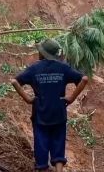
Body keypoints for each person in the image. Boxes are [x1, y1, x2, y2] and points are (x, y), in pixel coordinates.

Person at [11, 39, 88, 172]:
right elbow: (84, 79)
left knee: (41, 144)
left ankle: (43, 167)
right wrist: (71, 98)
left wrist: (28, 99)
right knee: (58, 143)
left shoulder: (34, 68)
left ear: (42, 53)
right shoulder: (63, 67)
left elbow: (14, 81)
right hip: (59, 111)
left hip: (40, 113)